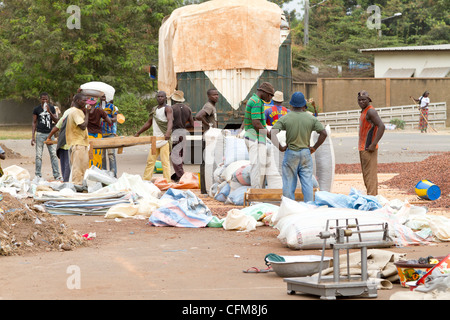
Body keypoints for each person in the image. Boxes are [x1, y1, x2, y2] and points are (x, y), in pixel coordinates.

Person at [270, 92, 327, 202]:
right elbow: (324, 133)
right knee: (307, 183)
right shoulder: (311, 118)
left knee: (288, 183)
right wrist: (314, 147)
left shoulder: (285, 118)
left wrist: (280, 147)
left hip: (291, 153)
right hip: (306, 153)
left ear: (291, 105)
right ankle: (309, 207)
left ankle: (289, 207)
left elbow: (272, 133)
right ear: (304, 105)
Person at [135, 91, 173, 182]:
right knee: (150, 162)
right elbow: (149, 123)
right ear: (156, 98)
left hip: (164, 140)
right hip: (155, 141)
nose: (160, 98)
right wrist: (138, 133)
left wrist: (168, 132)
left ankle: (167, 181)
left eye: (162, 96)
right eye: (158, 96)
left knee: (165, 162)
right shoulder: (154, 109)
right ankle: (146, 180)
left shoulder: (168, 109)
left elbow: (170, 120)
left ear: (165, 98)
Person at [243, 82, 275, 189]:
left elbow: (259, 123)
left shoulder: (254, 100)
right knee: (257, 168)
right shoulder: (256, 102)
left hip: (252, 137)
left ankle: (258, 192)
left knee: (259, 166)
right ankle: (256, 197)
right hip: (254, 138)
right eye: (270, 95)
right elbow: (256, 123)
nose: (271, 98)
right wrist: (271, 136)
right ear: (264, 92)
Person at [357, 90, 385, 196]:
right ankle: (371, 196)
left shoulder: (370, 111)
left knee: (370, 175)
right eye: (359, 100)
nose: (361, 102)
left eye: (364, 100)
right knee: (367, 175)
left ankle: (372, 198)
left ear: (368, 99)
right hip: (363, 148)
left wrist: (373, 144)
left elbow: (381, 126)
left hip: (368, 148)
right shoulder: (364, 111)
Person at [31, 92, 62, 180]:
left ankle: (56, 175)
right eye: (43, 99)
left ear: (48, 100)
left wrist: (50, 112)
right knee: (38, 155)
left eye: (46, 99)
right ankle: (38, 175)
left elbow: (57, 121)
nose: (44, 100)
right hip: (40, 133)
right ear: (40, 99)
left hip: (50, 134)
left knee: (53, 154)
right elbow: (34, 123)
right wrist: (33, 136)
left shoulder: (52, 108)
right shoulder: (36, 109)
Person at [45, 104, 74, 182]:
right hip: (68, 143)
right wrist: (49, 138)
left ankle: (65, 180)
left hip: (62, 142)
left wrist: (49, 137)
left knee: (64, 164)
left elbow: (57, 125)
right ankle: (66, 181)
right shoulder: (74, 113)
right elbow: (57, 125)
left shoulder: (67, 113)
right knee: (68, 164)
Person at [65, 93, 90, 186]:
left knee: (83, 168)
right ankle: (77, 186)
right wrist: (87, 113)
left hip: (81, 143)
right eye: (84, 101)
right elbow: (83, 126)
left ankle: (81, 187)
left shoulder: (77, 111)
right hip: (78, 144)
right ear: (78, 101)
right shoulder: (75, 112)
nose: (85, 103)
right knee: (78, 169)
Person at [170, 90, 195, 182]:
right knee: (180, 154)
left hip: (175, 133)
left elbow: (169, 122)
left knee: (175, 155)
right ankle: (178, 174)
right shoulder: (187, 109)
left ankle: (180, 175)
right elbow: (192, 123)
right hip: (183, 133)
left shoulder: (171, 108)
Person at [88, 95, 112, 169]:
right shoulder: (99, 111)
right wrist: (102, 117)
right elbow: (110, 121)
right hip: (98, 136)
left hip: (88, 136)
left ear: (88, 104)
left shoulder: (85, 111)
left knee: (89, 155)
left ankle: (89, 172)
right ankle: (97, 171)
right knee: (98, 155)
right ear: (95, 103)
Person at [101, 97, 119, 177]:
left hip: (110, 133)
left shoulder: (112, 107)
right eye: (102, 96)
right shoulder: (97, 106)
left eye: (104, 96)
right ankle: (104, 175)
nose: (103, 97)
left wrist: (108, 119)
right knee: (102, 156)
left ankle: (113, 174)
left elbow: (115, 119)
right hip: (100, 134)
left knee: (111, 155)